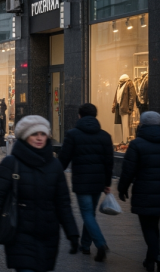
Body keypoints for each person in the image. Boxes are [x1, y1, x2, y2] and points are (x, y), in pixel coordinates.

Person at [0, 116, 79, 272]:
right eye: (34, 134)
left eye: (43, 134)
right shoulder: (11, 163)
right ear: (25, 136)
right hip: (19, 233)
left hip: (48, 235)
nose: (39, 138)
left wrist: (72, 233)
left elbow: (63, 203)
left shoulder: (54, 165)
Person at [58, 103, 113, 261]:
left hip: (82, 181)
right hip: (98, 181)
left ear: (79, 116)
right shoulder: (105, 136)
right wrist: (107, 183)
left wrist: (55, 173)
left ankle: (100, 243)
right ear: (95, 115)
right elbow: (109, 162)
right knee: (91, 213)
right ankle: (85, 245)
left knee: (87, 213)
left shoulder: (73, 134)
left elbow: (64, 158)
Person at [118, 111, 160, 271]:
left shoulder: (137, 144)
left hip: (145, 193)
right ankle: (151, 258)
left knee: (149, 227)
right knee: (155, 227)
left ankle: (154, 256)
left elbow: (128, 170)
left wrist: (122, 189)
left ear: (141, 124)